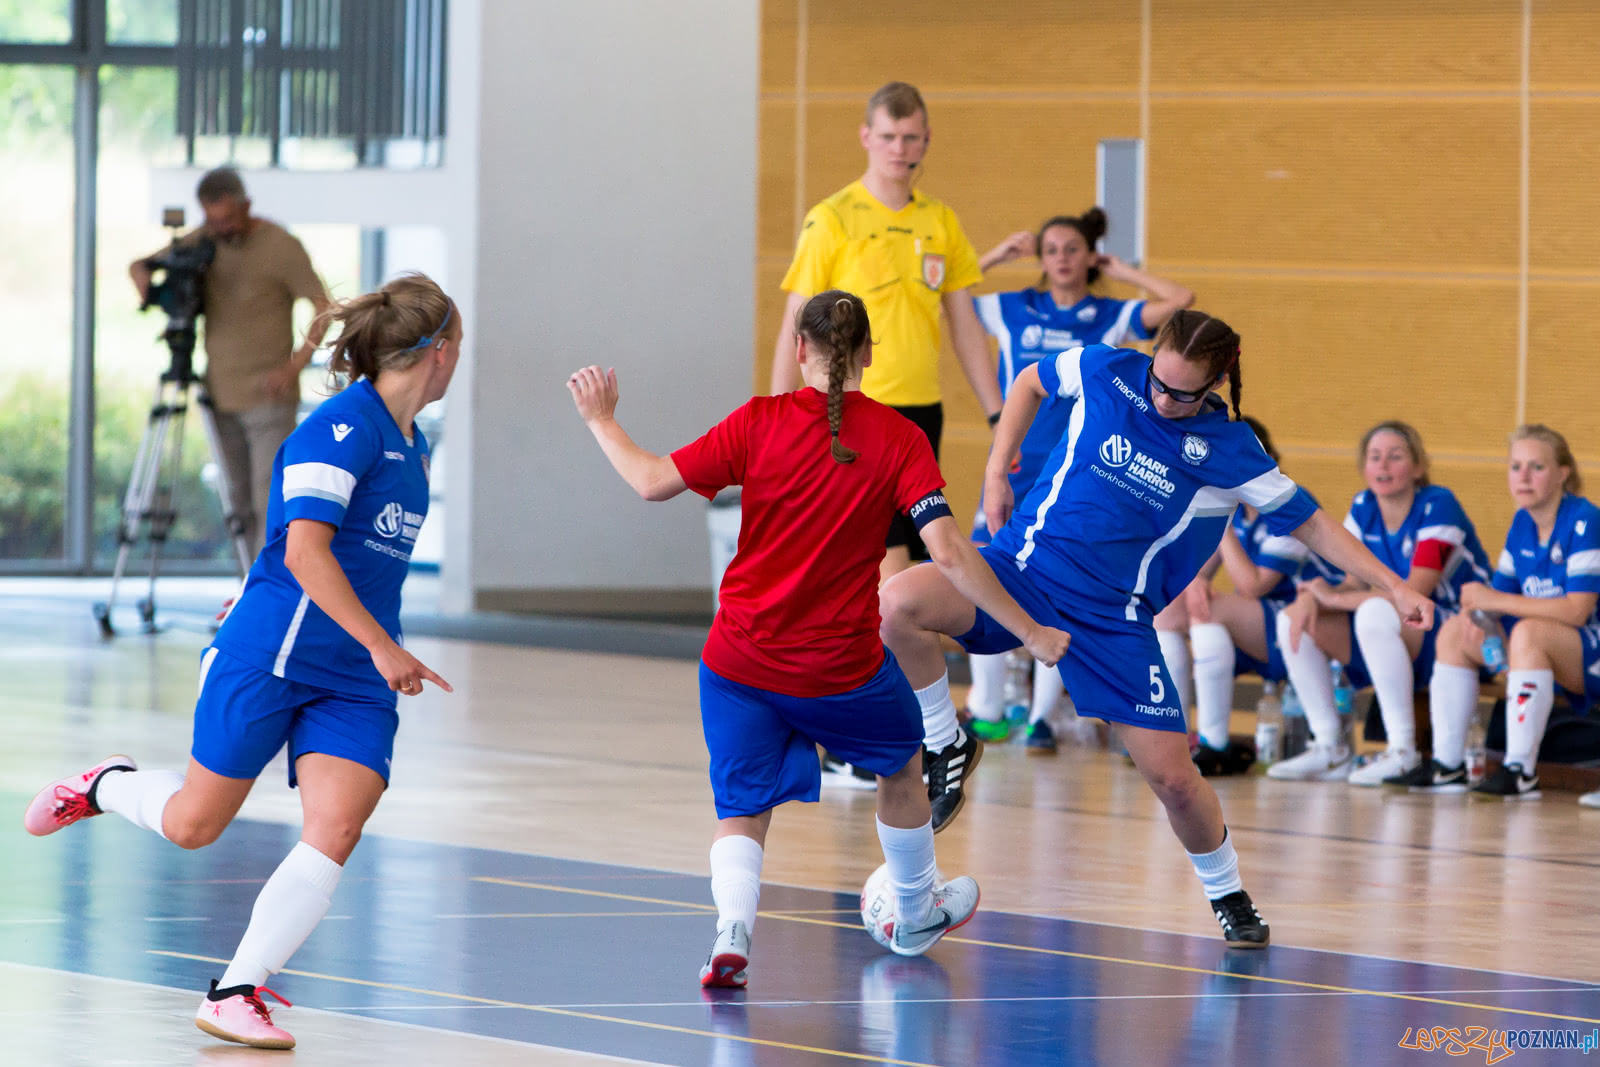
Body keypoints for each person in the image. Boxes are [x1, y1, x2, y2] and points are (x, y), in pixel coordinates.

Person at [879, 309, 1433, 944]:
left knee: (1174, 780)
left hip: (1112, 619)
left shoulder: (1231, 452)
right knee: (898, 603)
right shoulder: (1107, 368)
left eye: (1181, 393)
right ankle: (947, 740)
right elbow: (1030, 381)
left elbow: (1312, 525)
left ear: (1217, 384)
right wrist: (996, 468)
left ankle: (1228, 893)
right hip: (1021, 570)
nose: (1161, 398)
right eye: (1158, 382)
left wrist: (1391, 584)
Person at [570, 291, 1070, 984]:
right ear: (869, 353)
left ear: (800, 350)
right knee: (902, 767)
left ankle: (730, 936)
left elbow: (653, 481)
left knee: (743, 807)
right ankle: (918, 904)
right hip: (837, 668)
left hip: (736, 660)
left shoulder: (757, 420)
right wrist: (1029, 630)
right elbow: (951, 553)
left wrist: (601, 419)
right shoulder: (900, 438)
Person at [23, 274, 459, 1050]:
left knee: (339, 823)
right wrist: (384, 644)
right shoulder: (339, 428)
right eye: (461, 348)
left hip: (353, 677)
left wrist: (374, 650)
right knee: (194, 823)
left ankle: (235, 989)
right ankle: (104, 784)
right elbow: (304, 551)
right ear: (441, 350)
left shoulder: (413, 445)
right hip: (274, 654)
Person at [770, 80, 999, 798]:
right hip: (843, 417)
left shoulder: (941, 222)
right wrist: (782, 422)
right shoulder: (832, 219)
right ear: (867, 137)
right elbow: (793, 327)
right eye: (891, 137)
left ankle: (907, 734)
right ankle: (911, 733)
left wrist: (999, 418)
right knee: (876, 584)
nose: (904, 150)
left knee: (889, 586)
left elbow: (965, 324)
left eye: (915, 139)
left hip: (912, 421)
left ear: (926, 142)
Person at [964, 209, 1194, 751]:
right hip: (1016, 464)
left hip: (1075, 477)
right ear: (1040, 259)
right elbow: (943, 293)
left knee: (1056, 586)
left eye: (1073, 249)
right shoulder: (1014, 308)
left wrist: (1126, 271)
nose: (1062, 259)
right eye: (1052, 250)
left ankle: (1040, 718)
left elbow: (1181, 301)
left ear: (1089, 256)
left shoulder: (1111, 315)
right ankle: (986, 710)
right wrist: (996, 256)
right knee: (978, 570)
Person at [1269, 422, 1491, 786]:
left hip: (1451, 627)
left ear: (1418, 467)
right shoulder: (1363, 506)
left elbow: (1415, 596)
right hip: (1396, 633)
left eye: (1395, 456)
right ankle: (1330, 746)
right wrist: (1315, 596)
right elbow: (1351, 582)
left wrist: (1332, 597)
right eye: (1374, 457)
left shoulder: (1439, 505)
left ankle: (1403, 750)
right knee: (1294, 617)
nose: (1383, 465)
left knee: (1375, 611)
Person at [131, 166, 332, 556]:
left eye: (227, 219)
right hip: (218, 396)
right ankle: (245, 592)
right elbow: (148, 265)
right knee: (237, 505)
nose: (220, 229)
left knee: (268, 502)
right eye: (211, 219)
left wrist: (295, 365)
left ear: (246, 206)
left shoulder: (281, 245)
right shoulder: (203, 241)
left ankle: (266, 598)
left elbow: (323, 305)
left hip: (268, 399)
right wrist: (140, 275)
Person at [1389, 426, 1600, 799]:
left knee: (1528, 633)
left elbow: (1576, 611)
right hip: (1543, 648)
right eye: (1516, 466)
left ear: (1563, 473)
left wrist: (1494, 604)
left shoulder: (1585, 520)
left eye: (1536, 466)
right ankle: (1447, 765)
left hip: (1589, 645)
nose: (1523, 476)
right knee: (1455, 631)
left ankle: (1520, 769)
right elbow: (1494, 597)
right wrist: (1481, 621)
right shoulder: (1522, 523)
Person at [1185, 417, 1334, 775]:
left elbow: (1253, 586)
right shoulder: (1240, 511)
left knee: (1210, 610)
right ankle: (1182, 740)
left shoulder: (1288, 503)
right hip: (1264, 628)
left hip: (1311, 625)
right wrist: (1193, 583)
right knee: (1171, 613)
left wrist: (1220, 526)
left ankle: (1213, 743)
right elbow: (1194, 576)